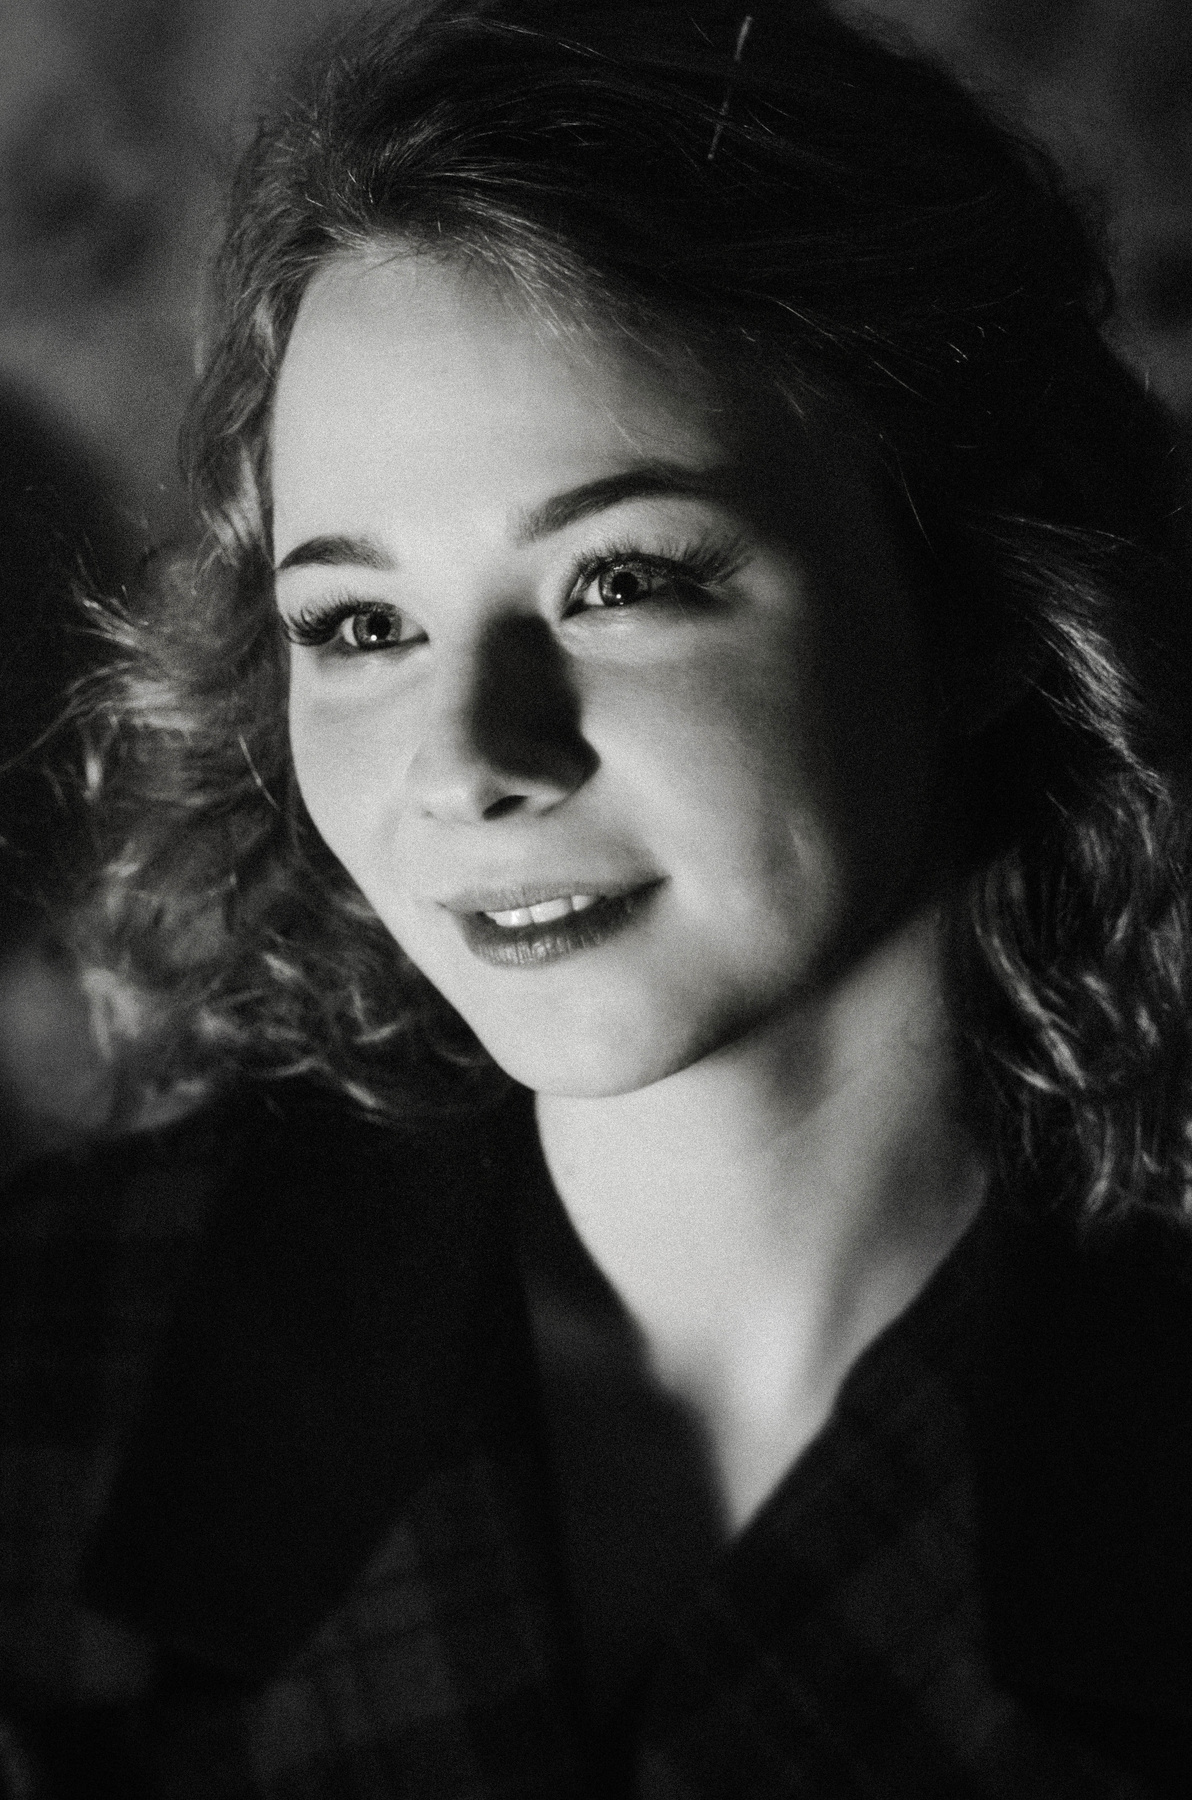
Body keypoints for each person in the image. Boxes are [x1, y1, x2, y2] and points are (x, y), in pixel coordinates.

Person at [3, 1, 1191, 1793]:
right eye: (361, 624)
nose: (471, 759)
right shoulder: (56, 1357)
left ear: (978, 604)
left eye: (620, 581)